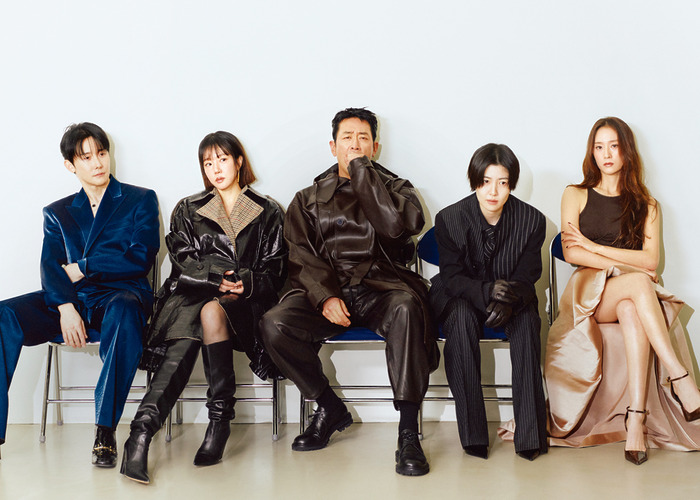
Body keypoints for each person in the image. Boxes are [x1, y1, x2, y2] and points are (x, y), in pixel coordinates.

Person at [260, 107, 438, 477]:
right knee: (274, 323)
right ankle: (328, 407)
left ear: (375, 147)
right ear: (332, 146)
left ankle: (408, 432)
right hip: (328, 292)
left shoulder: (399, 190)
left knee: (407, 308)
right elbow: (298, 254)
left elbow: (394, 228)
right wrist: (324, 296)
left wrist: (362, 172)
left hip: (382, 288)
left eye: (362, 139)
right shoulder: (307, 198)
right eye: (347, 138)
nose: (354, 145)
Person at [120, 131, 287, 484]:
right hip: (192, 296)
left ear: (238, 161)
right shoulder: (188, 208)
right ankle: (145, 433)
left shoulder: (268, 210)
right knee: (194, 322)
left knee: (210, 312)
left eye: (222, 160)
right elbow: (182, 260)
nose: (216, 169)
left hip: (245, 303)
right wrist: (214, 280)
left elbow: (276, 268)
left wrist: (245, 282)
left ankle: (193, 425)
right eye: (208, 163)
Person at [0, 123, 159, 466]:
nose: (97, 163)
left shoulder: (140, 199)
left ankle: (105, 430)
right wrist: (65, 307)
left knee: (124, 310)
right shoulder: (57, 212)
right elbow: (50, 267)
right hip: (72, 300)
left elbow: (140, 257)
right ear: (70, 165)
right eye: (86, 157)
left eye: (101, 153)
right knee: (4, 315)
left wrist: (84, 266)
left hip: (120, 297)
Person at [545, 117, 700, 464]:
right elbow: (572, 253)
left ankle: (636, 420)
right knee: (640, 282)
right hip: (588, 293)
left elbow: (651, 260)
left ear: (626, 151)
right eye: (599, 147)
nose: (606, 154)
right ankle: (679, 376)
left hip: (625, 295)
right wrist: (628, 266)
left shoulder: (647, 204)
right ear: (592, 153)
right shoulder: (575, 193)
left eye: (613, 146)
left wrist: (595, 247)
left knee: (632, 305)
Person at [429, 144, 548, 461]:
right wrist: (486, 292)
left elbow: (528, 275)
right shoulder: (449, 218)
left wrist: (508, 301)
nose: (493, 191)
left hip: (512, 295)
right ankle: (473, 436)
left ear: (512, 184)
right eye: (485, 181)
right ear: (474, 181)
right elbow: (452, 277)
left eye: (502, 182)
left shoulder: (532, 220)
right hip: (460, 295)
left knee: (526, 322)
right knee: (461, 319)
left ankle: (529, 435)